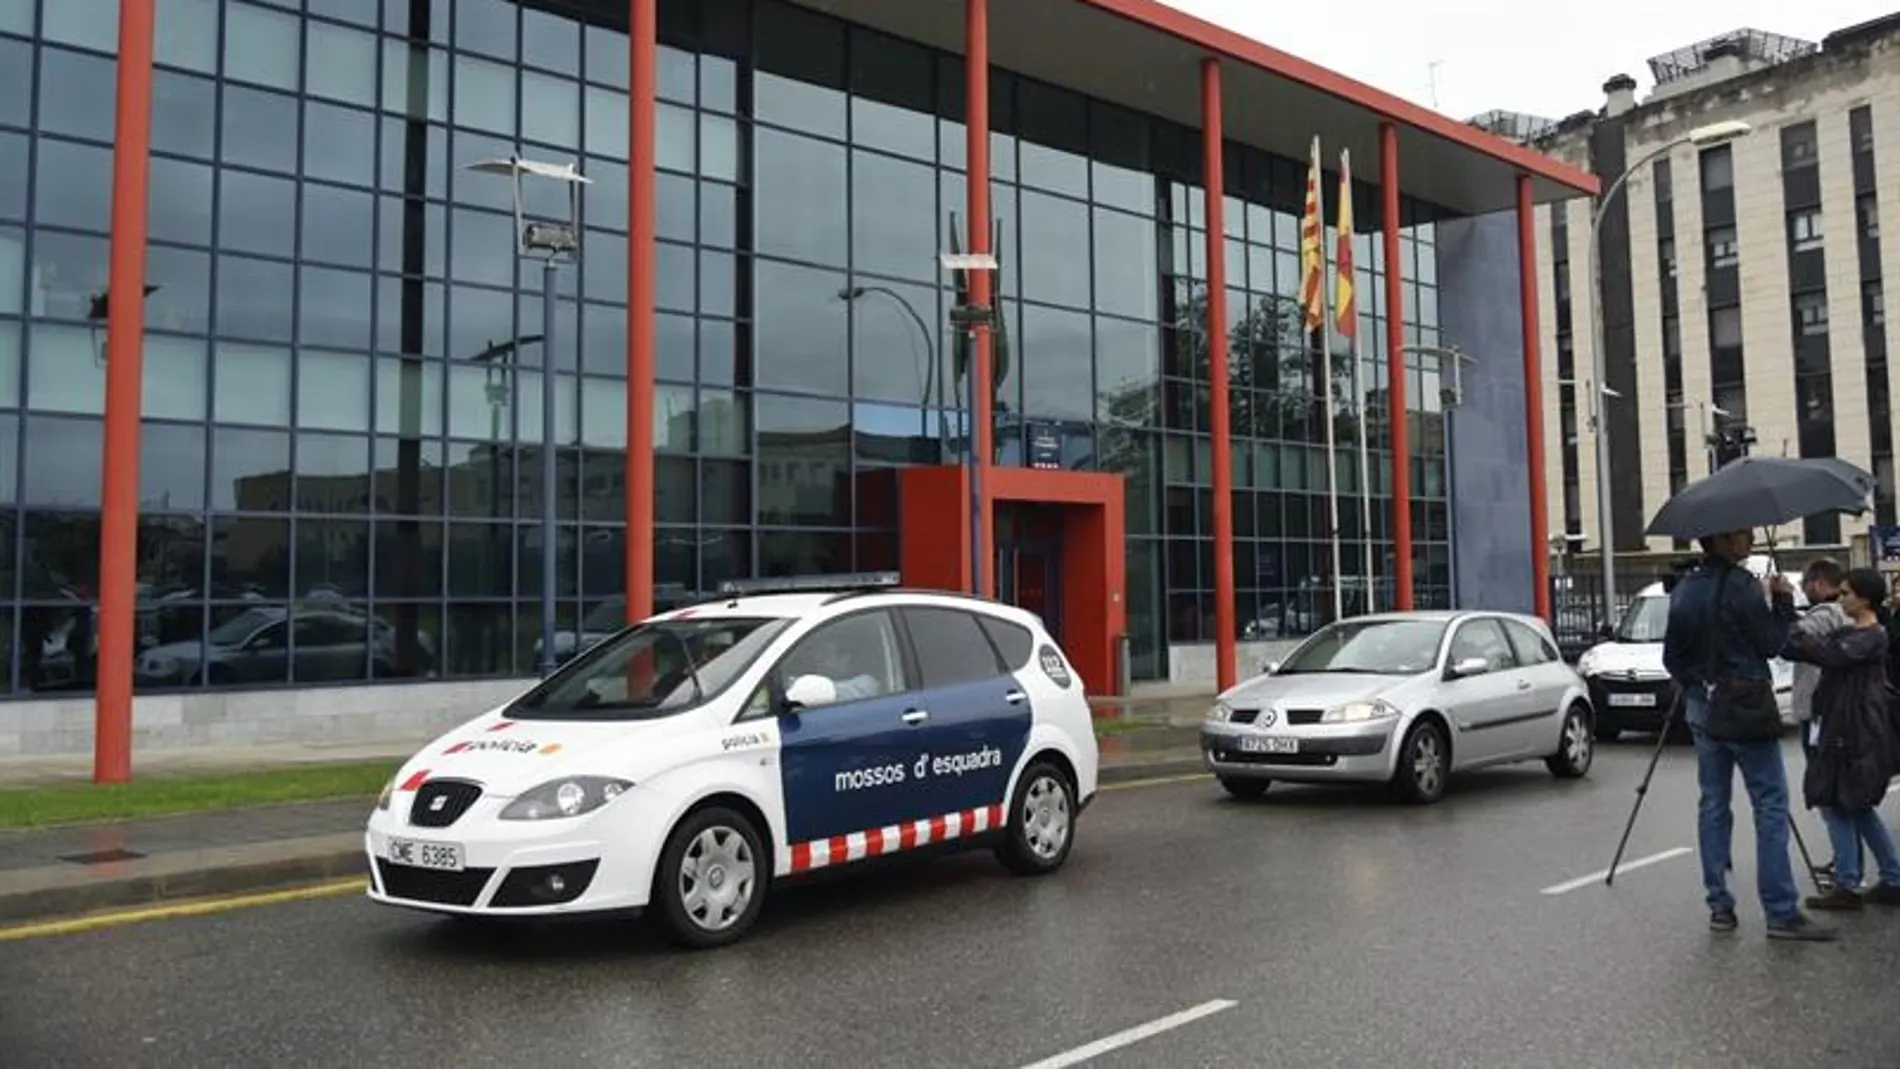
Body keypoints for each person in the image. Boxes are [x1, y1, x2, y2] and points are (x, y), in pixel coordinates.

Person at [1662, 528, 1833, 940]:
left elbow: (1673, 657)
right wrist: (1782, 599)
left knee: (1713, 803)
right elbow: (1774, 642)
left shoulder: (1684, 589)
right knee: (1771, 804)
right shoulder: (1742, 587)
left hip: (1705, 707)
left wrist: (1700, 686)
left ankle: (1720, 906)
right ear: (1723, 542)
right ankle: (1780, 912)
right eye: (1742, 533)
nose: (1751, 537)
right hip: (1747, 704)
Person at [1782, 567, 1900, 910]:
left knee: (1838, 803)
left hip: (1853, 732)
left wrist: (1791, 614)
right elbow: (1798, 648)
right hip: (1840, 727)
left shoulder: (1871, 636)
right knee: (1855, 806)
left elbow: (1826, 654)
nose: (1841, 598)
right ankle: (1891, 878)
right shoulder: (1849, 632)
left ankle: (1848, 884)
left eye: (1846, 593)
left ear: (1864, 599)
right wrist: (1783, 606)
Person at [1791, 559, 1850, 886]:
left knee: (1826, 791)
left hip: (1818, 713)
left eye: (1803, 583)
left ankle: (1846, 866)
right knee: (1840, 792)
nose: (1802, 588)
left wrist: (1780, 606)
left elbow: (1790, 642)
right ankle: (1846, 859)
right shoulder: (1843, 614)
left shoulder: (1824, 615)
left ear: (1817, 583)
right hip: (1832, 711)